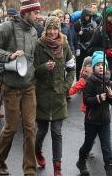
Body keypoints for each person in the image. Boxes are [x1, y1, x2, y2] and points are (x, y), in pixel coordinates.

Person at [0, 0, 41, 176]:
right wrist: (9, 56)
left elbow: (34, 58)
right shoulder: (7, 28)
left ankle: (29, 170)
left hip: (29, 86)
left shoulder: (35, 31)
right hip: (10, 87)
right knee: (11, 128)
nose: (37, 15)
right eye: (35, 12)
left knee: (30, 128)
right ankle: (0, 159)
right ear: (26, 12)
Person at [34, 16, 75, 176]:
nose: (52, 32)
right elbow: (33, 69)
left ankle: (57, 167)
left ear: (59, 29)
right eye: (49, 28)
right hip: (42, 96)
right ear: (45, 29)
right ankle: (37, 151)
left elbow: (71, 69)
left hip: (59, 96)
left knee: (57, 132)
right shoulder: (39, 45)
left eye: (55, 28)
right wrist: (44, 67)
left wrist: (66, 86)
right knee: (42, 131)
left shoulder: (64, 45)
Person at [76, 51, 112, 176]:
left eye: (102, 64)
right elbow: (87, 100)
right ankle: (81, 162)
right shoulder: (90, 82)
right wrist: (98, 98)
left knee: (106, 147)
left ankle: (110, 171)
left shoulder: (108, 82)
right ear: (93, 67)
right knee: (88, 145)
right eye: (98, 64)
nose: (100, 66)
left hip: (105, 121)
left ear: (106, 67)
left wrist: (111, 95)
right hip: (91, 120)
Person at [74, 9, 96, 80]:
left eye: (88, 16)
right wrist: (78, 34)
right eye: (86, 16)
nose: (87, 18)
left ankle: (88, 81)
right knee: (79, 66)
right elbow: (73, 37)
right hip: (80, 47)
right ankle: (78, 80)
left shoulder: (91, 24)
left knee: (89, 66)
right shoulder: (77, 24)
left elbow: (94, 36)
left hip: (89, 48)